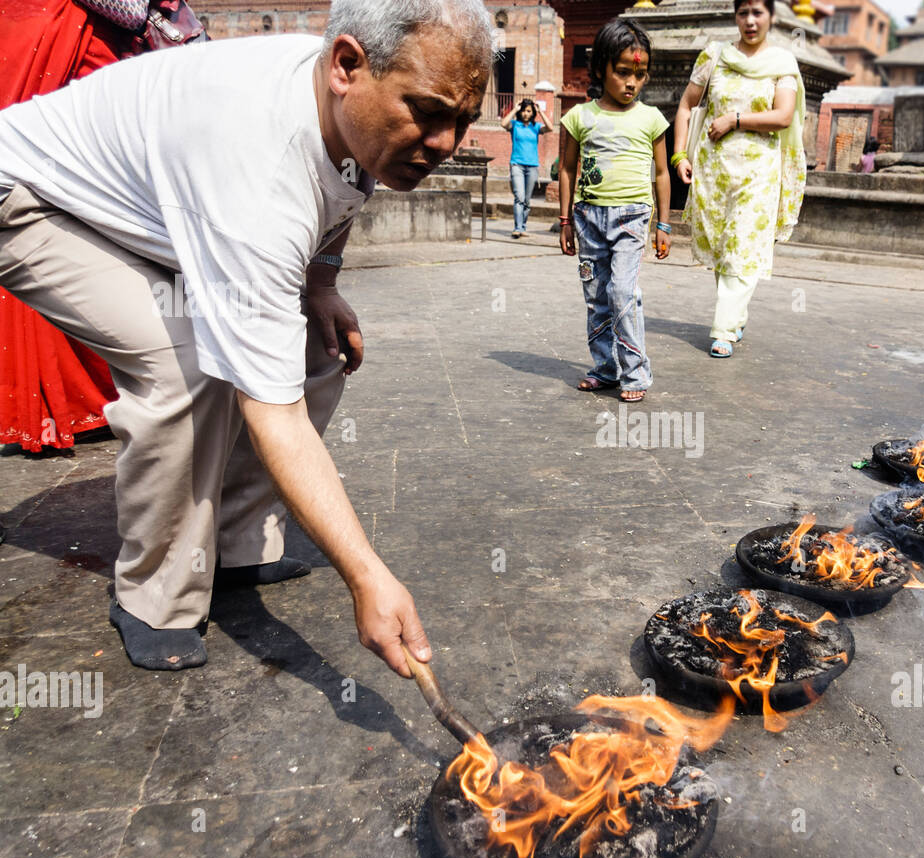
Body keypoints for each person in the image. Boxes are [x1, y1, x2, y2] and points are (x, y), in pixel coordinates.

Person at [0, 0, 491, 673]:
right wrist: (367, 576)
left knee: (320, 346)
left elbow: (349, 181)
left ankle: (231, 547)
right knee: (182, 365)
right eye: (429, 113)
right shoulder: (256, 169)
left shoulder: (356, 107)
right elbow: (273, 413)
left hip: (162, 214)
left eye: (463, 121)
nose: (445, 145)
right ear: (347, 65)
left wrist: (321, 283)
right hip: (33, 197)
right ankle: (155, 597)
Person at [0, 1, 146, 452]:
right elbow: (129, 10)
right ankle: (65, 399)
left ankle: (48, 403)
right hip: (62, 35)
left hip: (26, 39)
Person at [672, 0, 806, 359]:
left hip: (759, 171)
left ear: (771, 18)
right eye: (743, 13)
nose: (750, 21)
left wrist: (735, 119)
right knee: (721, 246)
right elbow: (686, 106)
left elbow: (783, 115)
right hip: (713, 169)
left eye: (758, 13)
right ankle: (736, 314)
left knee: (743, 244)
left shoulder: (781, 64)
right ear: (735, 16)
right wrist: (679, 154)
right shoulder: (714, 56)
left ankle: (724, 329)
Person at [558, 18, 671, 404]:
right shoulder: (579, 118)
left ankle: (636, 371)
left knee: (622, 290)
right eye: (623, 72)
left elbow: (661, 173)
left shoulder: (652, 119)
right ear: (601, 67)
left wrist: (665, 225)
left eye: (640, 74)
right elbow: (567, 169)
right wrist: (564, 220)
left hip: (632, 217)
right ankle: (606, 368)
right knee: (596, 296)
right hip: (588, 218)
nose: (631, 83)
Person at [501, 97, 552, 238]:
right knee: (519, 197)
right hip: (517, 164)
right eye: (523, 110)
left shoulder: (535, 127)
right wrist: (514, 109)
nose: (525, 113)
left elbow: (550, 127)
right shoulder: (514, 125)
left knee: (527, 200)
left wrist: (540, 112)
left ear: (532, 113)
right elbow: (503, 123)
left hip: (532, 166)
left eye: (528, 111)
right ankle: (517, 228)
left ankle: (523, 226)